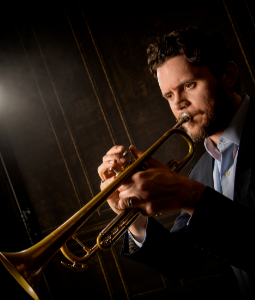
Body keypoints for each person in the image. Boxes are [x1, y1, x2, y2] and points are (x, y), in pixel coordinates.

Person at [98, 26, 255, 298]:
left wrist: (189, 195)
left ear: (227, 76)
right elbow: (181, 261)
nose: (179, 104)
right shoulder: (201, 170)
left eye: (188, 86)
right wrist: (130, 212)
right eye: (169, 96)